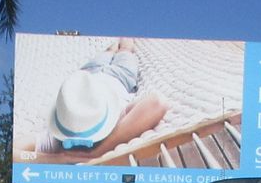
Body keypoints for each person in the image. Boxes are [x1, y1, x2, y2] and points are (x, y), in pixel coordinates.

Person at [22, 38, 167, 162]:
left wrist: (88, 154)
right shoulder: (116, 122)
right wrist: (97, 152)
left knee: (109, 50)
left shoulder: (55, 140)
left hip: (87, 75)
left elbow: (16, 152)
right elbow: (157, 103)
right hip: (120, 76)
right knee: (126, 49)